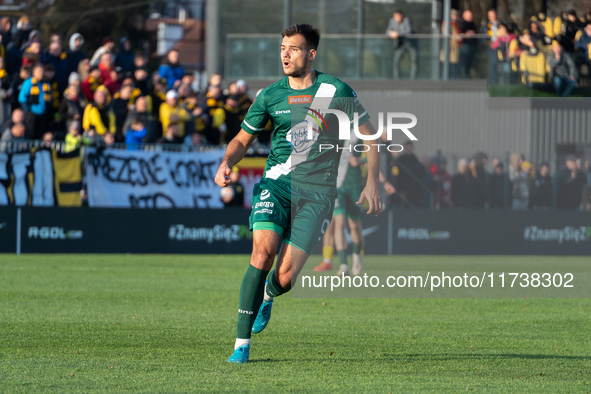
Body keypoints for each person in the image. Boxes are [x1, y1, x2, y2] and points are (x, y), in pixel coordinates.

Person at [214, 23, 381, 364]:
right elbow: (242, 140)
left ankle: (268, 293)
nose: (286, 54)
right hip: (276, 185)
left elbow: (371, 137)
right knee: (262, 253)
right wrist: (226, 162)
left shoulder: (335, 90)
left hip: (318, 196)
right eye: (282, 48)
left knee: (285, 278)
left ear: (311, 53)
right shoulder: (269, 95)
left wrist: (373, 180)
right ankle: (240, 346)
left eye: (293, 48)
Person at [313, 136, 366, 276]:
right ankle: (343, 265)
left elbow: (374, 151)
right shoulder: (332, 131)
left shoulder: (359, 131)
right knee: (339, 223)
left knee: (354, 225)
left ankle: (356, 255)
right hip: (336, 186)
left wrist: (362, 160)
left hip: (355, 186)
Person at [18, 63, 52, 139]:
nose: (41, 73)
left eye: (42, 71)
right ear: (33, 73)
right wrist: (28, 111)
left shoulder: (46, 83)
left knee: (40, 135)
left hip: (43, 114)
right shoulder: (28, 82)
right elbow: (21, 98)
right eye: (39, 72)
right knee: (30, 135)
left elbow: (49, 98)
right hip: (32, 114)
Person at [386, 10, 417, 80]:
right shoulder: (392, 21)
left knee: (414, 60)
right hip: (400, 43)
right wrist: (391, 33)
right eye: (395, 17)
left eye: (399, 17)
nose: (397, 18)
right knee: (396, 59)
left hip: (410, 43)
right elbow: (387, 31)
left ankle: (413, 79)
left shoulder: (406, 20)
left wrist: (398, 34)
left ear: (402, 16)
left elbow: (408, 31)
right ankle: (396, 78)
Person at [395, 140, 424, 208]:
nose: (409, 149)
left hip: (413, 187)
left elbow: (419, 170)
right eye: (408, 147)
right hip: (403, 186)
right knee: (403, 202)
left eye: (410, 147)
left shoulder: (414, 159)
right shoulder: (401, 159)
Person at [481, 9, 503, 84]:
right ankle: (493, 81)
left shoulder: (502, 24)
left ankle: (502, 81)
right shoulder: (486, 26)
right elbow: (483, 38)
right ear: (488, 16)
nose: (492, 16)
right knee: (493, 63)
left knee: (501, 63)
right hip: (492, 47)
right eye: (490, 15)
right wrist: (489, 44)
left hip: (501, 46)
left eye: (493, 14)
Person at [458, 10, 478, 78]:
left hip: (472, 47)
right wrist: (466, 35)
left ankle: (467, 77)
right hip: (464, 46)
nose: (470, 17)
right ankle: (463, 78)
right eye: (468, 15)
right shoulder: (461, 24)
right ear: (464, 16)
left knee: (470, 63)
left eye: (471, 15)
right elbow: (459, 35)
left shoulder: (473, 24)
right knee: (463, 64)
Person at [0, 57, 12, 125]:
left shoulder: (5, 74)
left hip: (6, 102)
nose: (1, 64)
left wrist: (10, 91)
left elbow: (10, 85)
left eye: (2, 62)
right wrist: (4, 93)